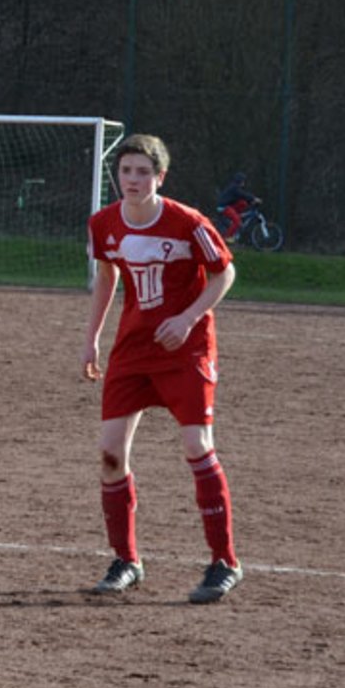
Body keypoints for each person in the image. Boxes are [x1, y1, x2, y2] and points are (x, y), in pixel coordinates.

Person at [82, 133, 243, 604]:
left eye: (142, 172)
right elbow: (107, 275)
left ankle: (224, 562)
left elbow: (224, 272)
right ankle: (126, 560)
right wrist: (92, 337)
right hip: (132, 350)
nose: (132, 180)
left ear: (160, 177)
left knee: (196, 445)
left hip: (185, 348)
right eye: (126, 170)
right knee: (110, 453)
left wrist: (189, 316)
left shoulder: (187, 222)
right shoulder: (104, 224)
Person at [215, 171, 258, 242]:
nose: (244, 183)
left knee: (243, 203)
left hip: (228, 205)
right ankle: (228, 237)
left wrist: (251, 201)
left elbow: (241, 198)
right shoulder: (234, 188)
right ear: (240, 181)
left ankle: (236, 216)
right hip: (223, 207)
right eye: (243, 181)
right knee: (237, 221)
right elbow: (243, 194)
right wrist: (254, 198)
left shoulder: (234, 187)